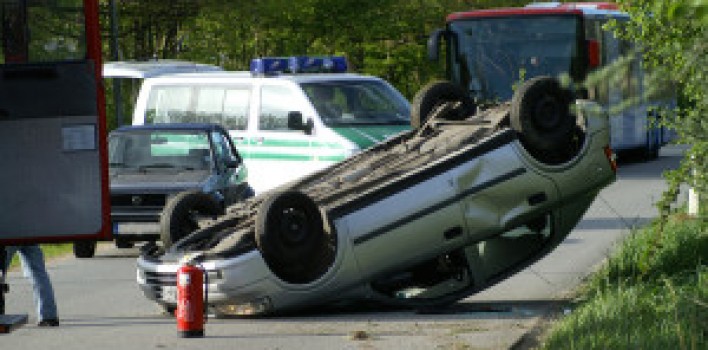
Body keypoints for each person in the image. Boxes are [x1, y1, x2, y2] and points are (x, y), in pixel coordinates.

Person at [4, 245, 59, 327]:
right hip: (29, 234)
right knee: (38, 274)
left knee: (1, 272)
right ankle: (48, 316)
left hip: (7, 236)